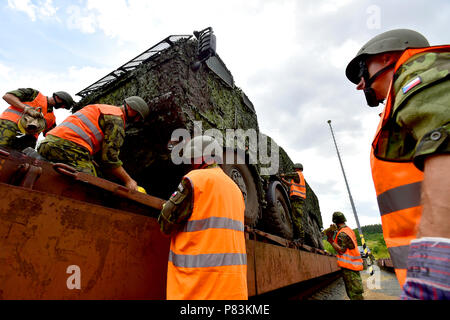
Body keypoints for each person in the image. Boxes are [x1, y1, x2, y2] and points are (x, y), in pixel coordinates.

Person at [345, 29, 449, 299]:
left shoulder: (423, 77)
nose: (359, 84)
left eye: (361, 70)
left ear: (387, 57)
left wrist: (434, 274)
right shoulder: (403, 102)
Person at [158, 135, 248, 300]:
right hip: (234, 292)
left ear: (203, 156)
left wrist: (165, 207)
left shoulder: (195, 180)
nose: (190, 162)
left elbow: (165, 224)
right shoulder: (236, 191)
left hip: (198, 290)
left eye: (192, 157)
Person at [38, 96, 149, 191]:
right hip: (65, 148)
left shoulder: (102, 108)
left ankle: (40, 158)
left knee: (97, 173)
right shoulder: (117, 121)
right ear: (130, 107)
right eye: (138, 116)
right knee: (92, 183)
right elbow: (109, 159)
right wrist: (129, 181)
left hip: (47, 144)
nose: (137, 120)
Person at [0, 88, 74, 150]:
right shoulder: (34, 95)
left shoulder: (51, 118)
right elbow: (7, 96)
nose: (63, 107)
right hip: (9, 125)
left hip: (27, 140)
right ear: (58, 97)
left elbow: (51, 135)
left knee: (19, 160)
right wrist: (26, 108)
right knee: (2, 149)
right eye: (64, 105)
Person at [326, 211, 364, 300]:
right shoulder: (349, 230)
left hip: (349, 267)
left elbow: (341, 250)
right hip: (354, 265)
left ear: (335, 221)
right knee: (356, 291)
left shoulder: (342, 233)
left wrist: (330, 240)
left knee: (354, 294)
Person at [281, 163, 307, 241]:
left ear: (297, 168)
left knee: (297, 218)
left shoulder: (298, 174)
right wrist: (284, 181)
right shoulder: (298, 177)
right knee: (295, 217)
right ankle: (299, 237)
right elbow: (291, 185)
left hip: (298, 199)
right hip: (297, 199)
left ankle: (301, 238)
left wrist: (283, 175)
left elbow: (290, 174)